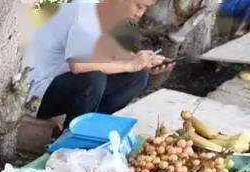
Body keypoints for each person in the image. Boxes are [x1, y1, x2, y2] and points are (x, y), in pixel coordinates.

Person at [29, 0, 172, 128]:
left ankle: (93, 128)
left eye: (145, 8)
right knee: (93, 78)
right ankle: (71, 137)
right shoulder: (85, 7)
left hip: (64, 84)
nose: (140, 14)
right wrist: (131, 65)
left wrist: (143, 61)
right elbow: (79, 65)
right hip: (36, 95)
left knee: (138, 75)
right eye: (139, 6)